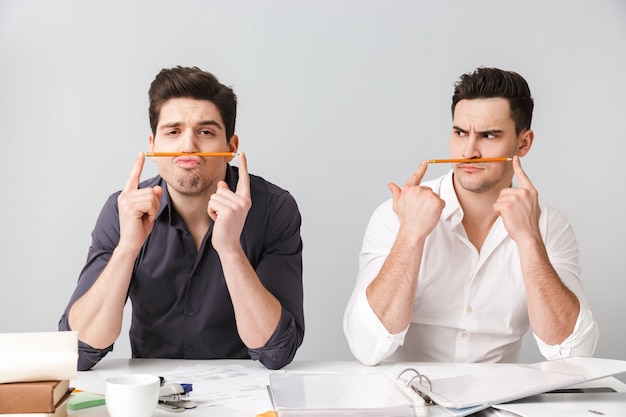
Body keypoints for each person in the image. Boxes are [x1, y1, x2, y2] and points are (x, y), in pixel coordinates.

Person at [343, 67, 598, 367]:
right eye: (460, 132)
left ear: (523, 143)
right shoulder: (397, 213)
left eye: (489, 135)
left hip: (498, 405)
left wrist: (529, 239)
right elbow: (366, 346)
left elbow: (573, 352)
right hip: (405, 400)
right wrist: (411, 235)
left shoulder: (549, 225)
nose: (468, 151)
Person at [59, 66, 304, 371]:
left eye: (206, 132)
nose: (188, 146)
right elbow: (80, 352)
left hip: (245, 393)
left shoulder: (273, 208)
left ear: (230, 148)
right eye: (173, 132)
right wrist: (127, 249)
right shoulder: (121, 210)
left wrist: (229, 249)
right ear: (154, 146)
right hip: (154, 396)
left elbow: (276, 353)